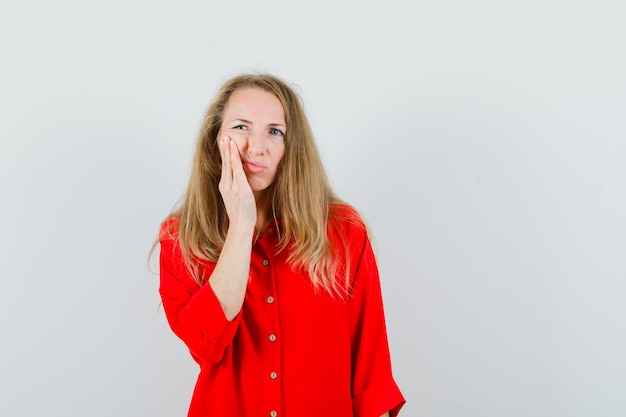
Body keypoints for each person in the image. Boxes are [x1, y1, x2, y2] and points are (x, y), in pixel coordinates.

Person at [157, 73, 405, 417]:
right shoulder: (180, 239)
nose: (256, 147)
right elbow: (205, 344)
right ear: (215, 138)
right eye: (241, 127)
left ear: (291, 148)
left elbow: (370, 375)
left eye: (275, 131)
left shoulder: (344, 231)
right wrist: (241, 225)